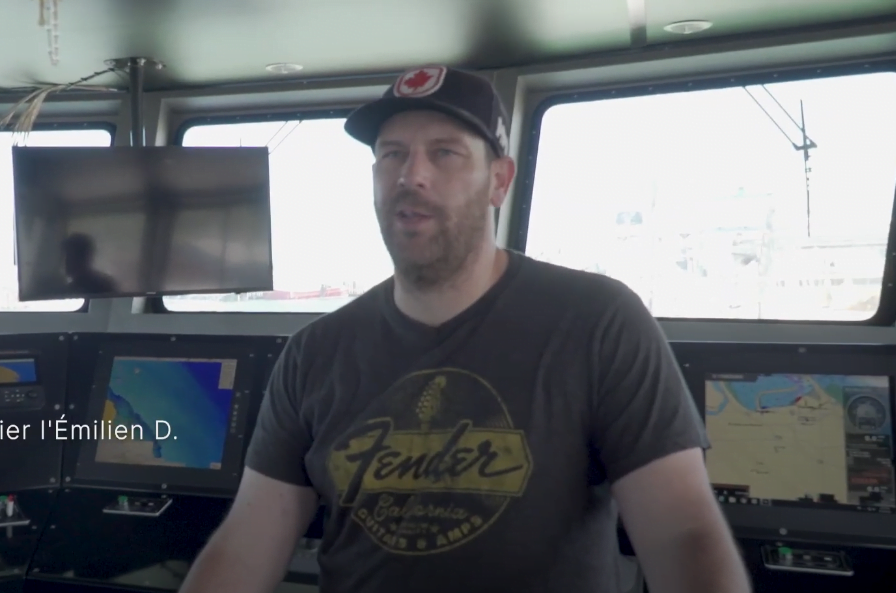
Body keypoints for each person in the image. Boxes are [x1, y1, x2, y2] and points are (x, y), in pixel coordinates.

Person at [177, 65, 751, 593]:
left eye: (445, 153)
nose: (411, 175)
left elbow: (682, 535)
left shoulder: (598, 323)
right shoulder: (314, 354)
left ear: (499, 182)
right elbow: (247, 545)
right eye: (391, 154)